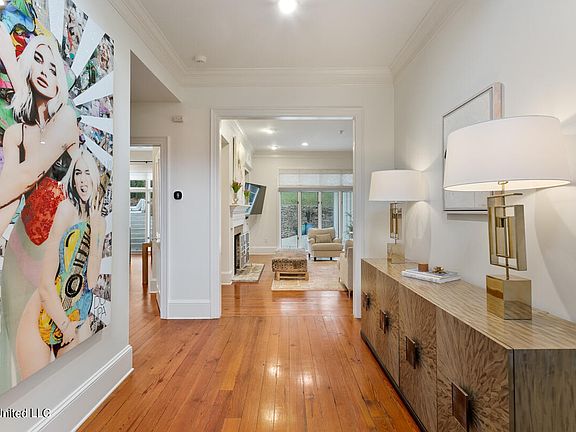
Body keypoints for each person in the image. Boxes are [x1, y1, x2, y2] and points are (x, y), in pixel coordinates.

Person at [0, 34, 78, 387]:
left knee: (63, 351)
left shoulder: (66, 120)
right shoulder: (15, 134)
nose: (45, 71)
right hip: (21, 252)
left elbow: (30, 173)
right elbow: (11, 197)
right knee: (27, 371)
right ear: (28, 67)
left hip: (57, 253)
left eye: (53, 66)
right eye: (38, 61)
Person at [16, 150, 105, 377]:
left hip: (74, 313)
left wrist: (96, 230)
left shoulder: (98, 221)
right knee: (35, 386)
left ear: (95, 178)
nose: (83, 179)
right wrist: (64, 326)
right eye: (78, 173)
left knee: (73, 380)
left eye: (87, 173)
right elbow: (46, 283)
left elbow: (91, 281)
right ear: (73, 180)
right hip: (44, 313)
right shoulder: (66, 210)